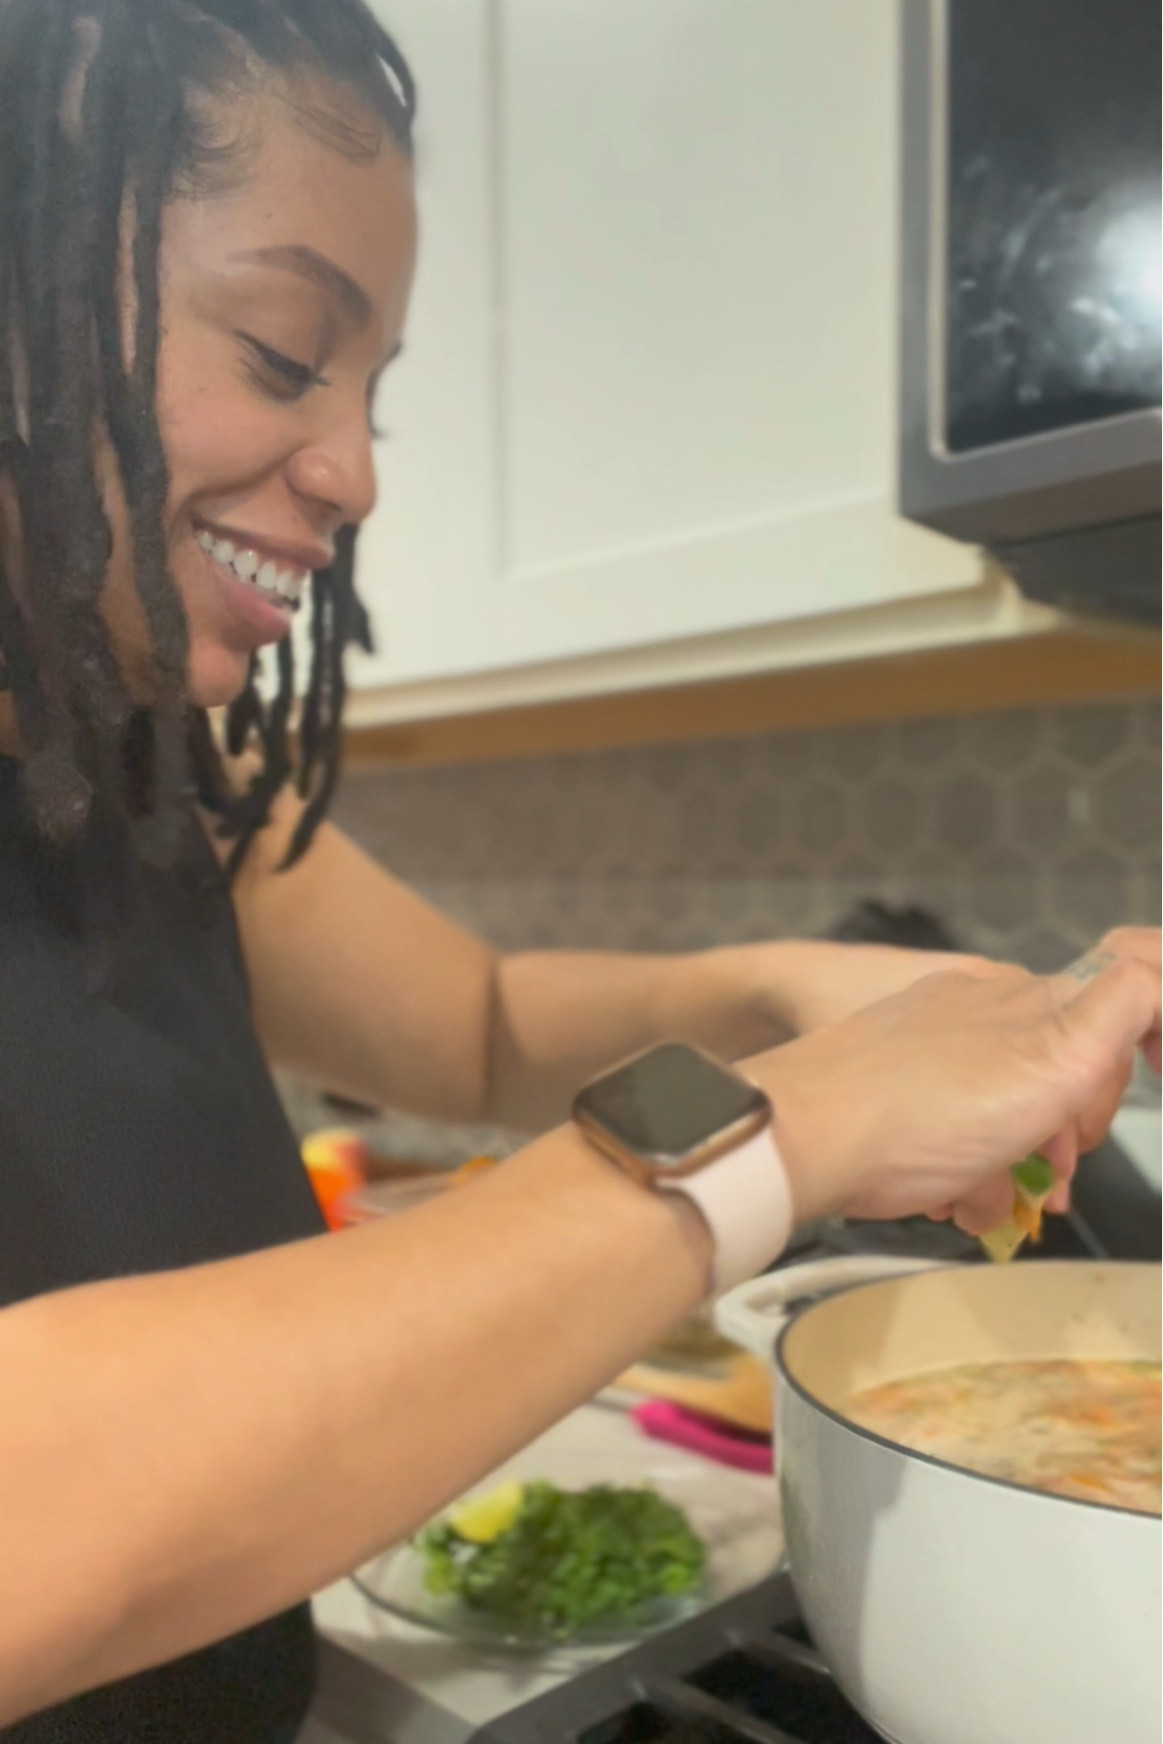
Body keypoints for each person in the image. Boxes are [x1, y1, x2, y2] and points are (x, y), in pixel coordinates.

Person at [0, 3, 1157, 1738]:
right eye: (284, 353)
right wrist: (780, 1140)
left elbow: (472, 1023)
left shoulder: (156, 771)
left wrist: (787, 1003)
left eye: (373, 388)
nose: (356, 471)